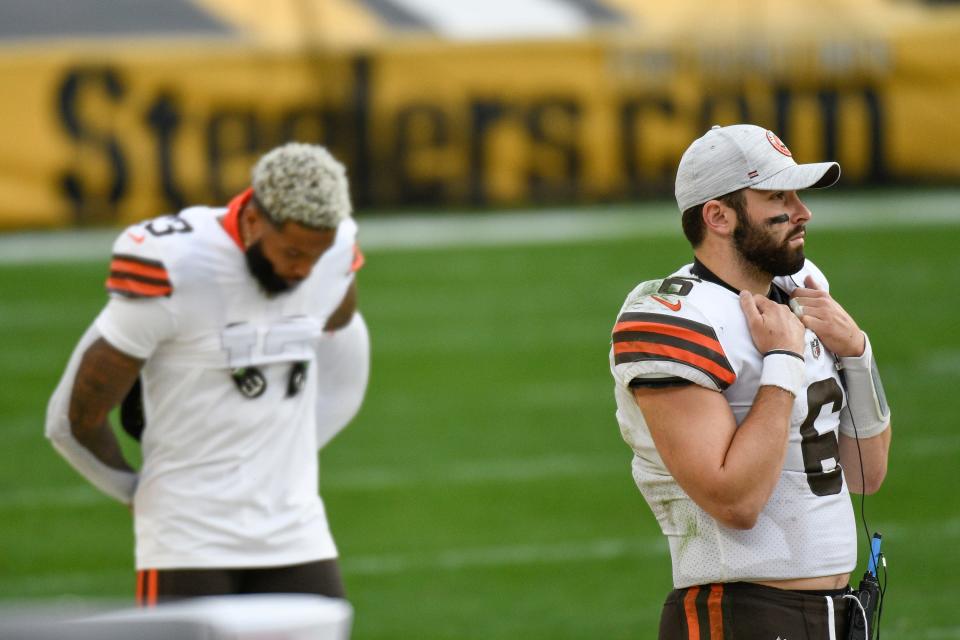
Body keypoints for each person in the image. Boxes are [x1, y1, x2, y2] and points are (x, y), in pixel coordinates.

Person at [46, 143, 370, 604]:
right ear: (256, 221)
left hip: (297, 529)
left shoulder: (331, 252)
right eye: (293, 251)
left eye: (315, 257)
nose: (304, 270)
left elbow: (341, 325)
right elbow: (72, 419)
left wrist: (291, 451)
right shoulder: (177, 263)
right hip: (188, 540)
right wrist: (137, 494)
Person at [609, 125, 892, 638]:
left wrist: (858, 353)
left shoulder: (800, 290)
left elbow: (866, 475)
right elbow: (735, 503)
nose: (802, 212)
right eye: (777, 197)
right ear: (718, 216)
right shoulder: (672, 315)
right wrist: (783, 361)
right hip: (742, 614)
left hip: (838, 613)